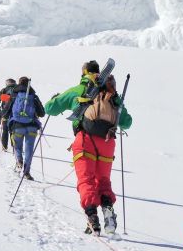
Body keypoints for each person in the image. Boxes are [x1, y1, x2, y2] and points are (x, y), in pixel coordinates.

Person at [44, 60, 132, 235]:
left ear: (83, 73)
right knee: (103, 181)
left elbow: (49, 109)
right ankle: (108, 211)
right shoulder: (110, 91)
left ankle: (92, 217)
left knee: (86, 179)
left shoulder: (79, 90)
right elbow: (127, 122)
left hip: (85, 140)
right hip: (107, 142)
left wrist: (55, 99)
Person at [2, 77, 45, 181]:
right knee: (29, 150)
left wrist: (4, 117)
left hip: (17, 126)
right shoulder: (33, 96)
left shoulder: (14, 95)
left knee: (17, 147)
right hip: (31, 127)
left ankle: (19, 161)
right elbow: (42, 113)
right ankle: (27, 172)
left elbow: (6, 109)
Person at [0, 78, 17, 152]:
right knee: (13, 130)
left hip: (5, 113)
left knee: (5, 129)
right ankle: (14, 146)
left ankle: (4, 147)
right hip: (15, 114)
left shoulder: (4, 90)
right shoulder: (18, 90)